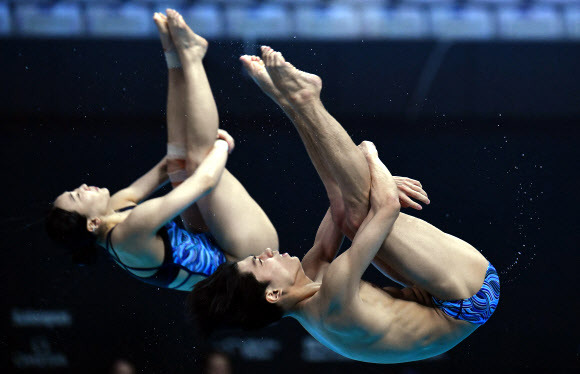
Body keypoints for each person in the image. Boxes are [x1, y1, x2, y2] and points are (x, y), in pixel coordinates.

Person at [188, 47, 499, 363]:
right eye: (259, 262)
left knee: (349, 214)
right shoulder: (332, 301)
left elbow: (337, 200)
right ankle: (307, 98)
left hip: (435, 296)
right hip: (470, 297)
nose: (267, 253)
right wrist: (370, 157)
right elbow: (387, 206)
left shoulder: (309, 282)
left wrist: (288, 107)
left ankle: (294, 101)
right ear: (274, 294)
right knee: (360, 211)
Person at [44, 10, 278, 291]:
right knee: (199, 159)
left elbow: (169, 165)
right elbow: (204, 181)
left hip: (216, 241)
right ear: (93, 222)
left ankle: (177, 57)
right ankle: (193, 57)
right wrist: (221, 145)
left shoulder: (113, 212)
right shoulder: (129, 234)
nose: (82, 186)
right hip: (248, 261)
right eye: (77, 196)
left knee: (181, 164)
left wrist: (171, 60)